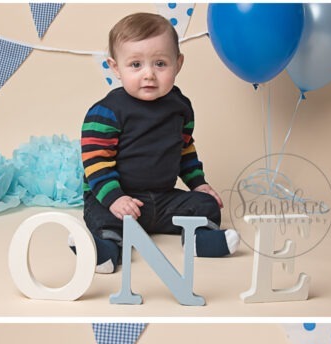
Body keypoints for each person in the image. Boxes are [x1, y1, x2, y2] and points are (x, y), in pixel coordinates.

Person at [80, 12, 238, 272]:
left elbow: (184, 151)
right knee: (102, 215)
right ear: (115, 68)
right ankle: (105, 250)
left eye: (160, 64)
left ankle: (199, 240)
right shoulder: (106, 112)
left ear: (178, 63)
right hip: (117, 197)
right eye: (136, 65)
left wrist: (198, 183)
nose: (149, 74)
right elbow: (96, 163)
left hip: (162, 200)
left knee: (205, 203)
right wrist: (115, 199)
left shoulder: (180, 107)